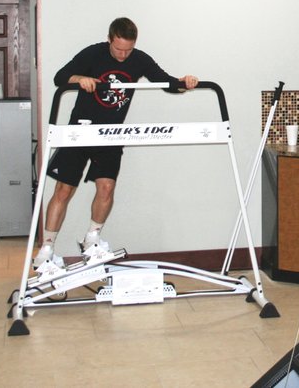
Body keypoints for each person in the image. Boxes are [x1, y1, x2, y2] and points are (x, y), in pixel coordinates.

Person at [33, 17, 199, 269]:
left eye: (128, 50)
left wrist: (185, 83)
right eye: (118, 49)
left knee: (107, 188)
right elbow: (60, 78)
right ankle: (46, 250)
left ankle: (92, 240)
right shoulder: (93, 53)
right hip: (81, 130)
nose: (122, 55)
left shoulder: (139, 59)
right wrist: (80, 79)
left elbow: (166, 82)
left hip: (111, 134)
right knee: (64, 190)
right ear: (109, 39)